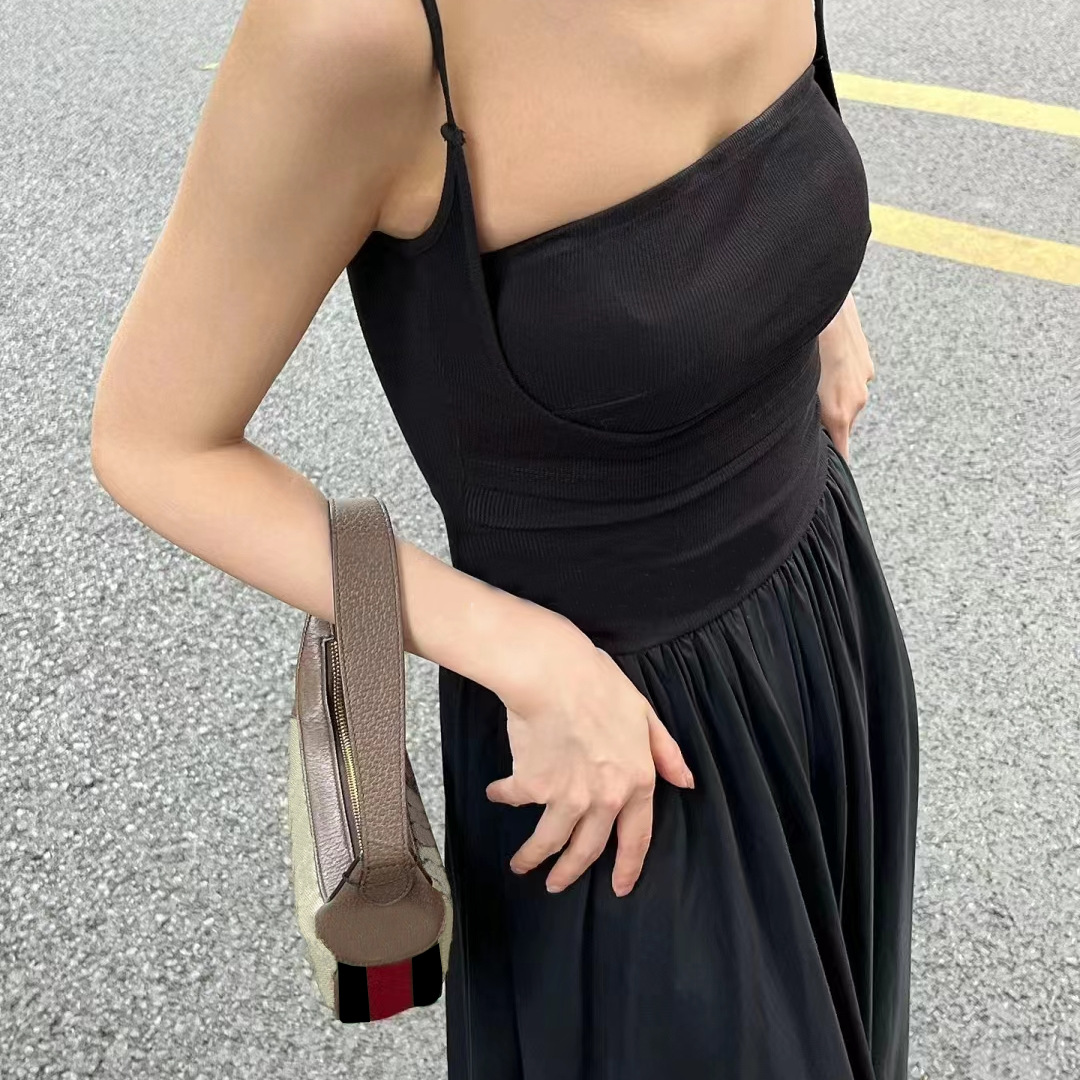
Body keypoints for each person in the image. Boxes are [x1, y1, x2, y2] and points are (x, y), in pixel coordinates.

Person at [89, 0, 919, 1076]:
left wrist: (811, 302)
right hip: (609, 745)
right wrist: (515, 650)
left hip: (823, 619)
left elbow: (759, 146)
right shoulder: (361, 32)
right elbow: (156, 442)